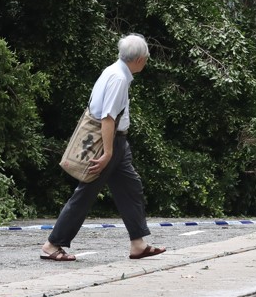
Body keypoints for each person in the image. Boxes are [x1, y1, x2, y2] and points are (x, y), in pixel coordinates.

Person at [40, 33, 166, 262]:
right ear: (138, 59)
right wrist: (107, 153)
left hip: (118, 142)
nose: (146, 62)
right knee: (86, 193)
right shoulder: (118, 78)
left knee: (131, 188)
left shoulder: (113, 71)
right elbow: (107, 118)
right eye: (146, 58)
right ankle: (52, 244)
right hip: (109, 142)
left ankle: (138, 244)